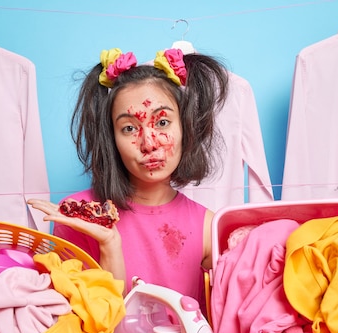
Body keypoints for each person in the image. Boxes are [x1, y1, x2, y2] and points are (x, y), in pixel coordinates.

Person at [28, 47, 228, 313]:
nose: (149, 143)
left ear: (186, 127)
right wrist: (110, 246)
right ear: (112, 140)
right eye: (130, 128)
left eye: (163, 122)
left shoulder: (208, 226)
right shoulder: (79, 215)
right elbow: (90, 326)